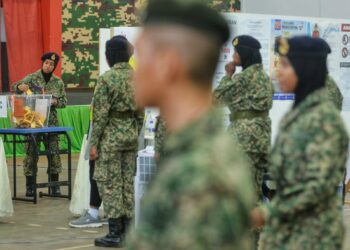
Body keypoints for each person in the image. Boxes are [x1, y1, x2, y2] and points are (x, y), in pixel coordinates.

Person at [126, 1, 255, 249]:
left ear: (167, 64)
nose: (135, 72)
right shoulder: (194, 153)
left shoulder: (199, 176)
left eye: (141, 58)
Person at [252, 36, 349, 250]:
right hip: (290, 232)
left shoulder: (323, 120)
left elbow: (315, 188)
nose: (279, 72)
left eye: (286, 65)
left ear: (305, 69)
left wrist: (264, 213)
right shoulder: (298, 115)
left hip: (311, 237)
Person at [213, 35, 274, 249]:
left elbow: (216, 99)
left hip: (243, 141)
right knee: (255, 193)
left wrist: (227, 75)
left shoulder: (242, 78)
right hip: (261, 139)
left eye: (237, 53)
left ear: (246, 54)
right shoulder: (265, 78)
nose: (233, 56)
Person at [89, 35, 144, 248]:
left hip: (110, 140)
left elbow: (100, 116)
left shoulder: (107, 79)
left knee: (110, 185)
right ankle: (129, 231)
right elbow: (141, 113)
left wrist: (94, 144)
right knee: (126, 184)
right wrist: (132, 131)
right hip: (130, 138)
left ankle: (114, 233)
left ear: (110, 55)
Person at [13, 52, 67, 197]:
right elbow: (15, 86)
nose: (49, 66)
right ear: (42, 63)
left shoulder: (58, 82)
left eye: (52, 64)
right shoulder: (32, 78)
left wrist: (56, 102)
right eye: (47, 63)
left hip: (51, 123)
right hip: (33, 123)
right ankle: (30, 186)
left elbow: (64, 102)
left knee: (54, 154)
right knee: (31, 154)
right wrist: (20, 87)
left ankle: (54, 186)